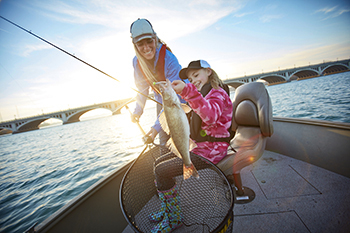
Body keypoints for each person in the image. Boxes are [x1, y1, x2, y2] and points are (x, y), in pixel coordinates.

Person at [149, 60, 233, 232]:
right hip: (201, 147)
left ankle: (174, 218)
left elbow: (210, 116)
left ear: (208, 71)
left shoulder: (218, 93)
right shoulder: (203, 95)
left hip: (213, 150)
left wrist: (187, 90)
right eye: (190, 79)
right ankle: (168, 210)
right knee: (157, 164)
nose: (194, 81)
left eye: (196, 75)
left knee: (162, 171)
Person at [130, 18, 187, 145]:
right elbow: (142, 89)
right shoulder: (136, 62)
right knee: (164, 144)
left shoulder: (169, 58)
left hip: (181, 101)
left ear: (155, 39)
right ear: (135, 45)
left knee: (183, 139)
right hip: (162, 101)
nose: (146, 48)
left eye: (149, 41)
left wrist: (156, 127)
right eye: (140, 44)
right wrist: (137, 112)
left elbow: (175, 96)